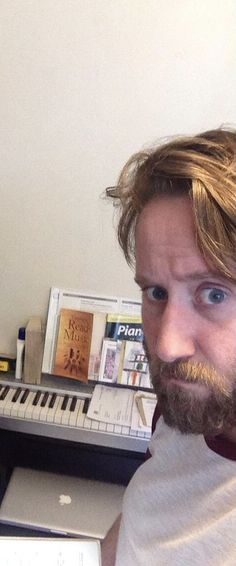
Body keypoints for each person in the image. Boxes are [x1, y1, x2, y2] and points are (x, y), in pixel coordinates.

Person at [101, 128, 236, 565]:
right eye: (156, 293)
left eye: (214, 294)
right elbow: (145, 520)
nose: (167, 345)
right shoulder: (188, 409)